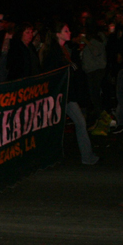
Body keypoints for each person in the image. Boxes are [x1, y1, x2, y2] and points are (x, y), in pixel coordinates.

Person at [40, 21, 99, 166]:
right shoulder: (54, 52)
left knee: (76, 123)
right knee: (67, 124)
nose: (69, 33)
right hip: (60, 95)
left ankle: (86, 156)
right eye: (66, 31)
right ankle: (49, 157)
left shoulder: (62, 49)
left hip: (66, 95)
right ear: (58, 34)